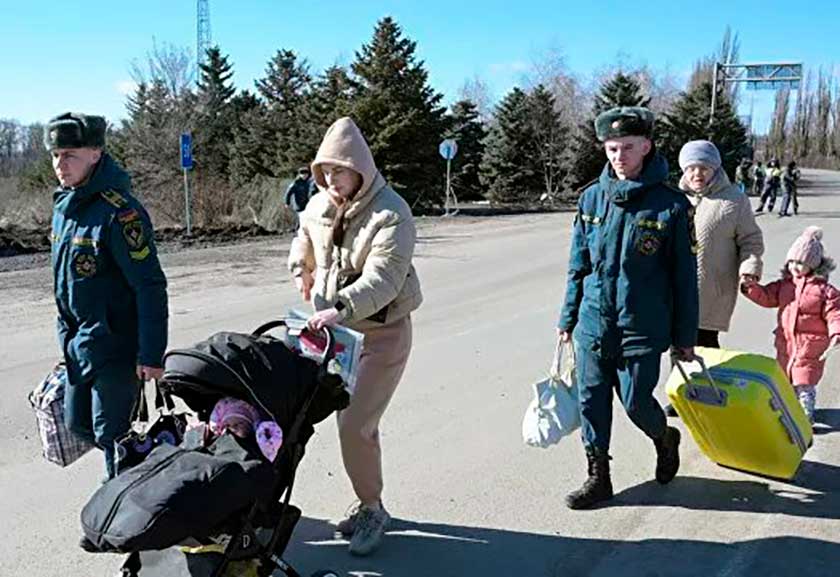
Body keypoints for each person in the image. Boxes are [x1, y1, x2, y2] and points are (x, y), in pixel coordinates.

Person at [287, 117, 422, 555]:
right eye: (324, 173)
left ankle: (372, 509)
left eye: (338, 172)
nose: (330, 180)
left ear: (360, 168)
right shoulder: (320, 202)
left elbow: (384, 279)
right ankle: (369, 499)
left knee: (355, 424)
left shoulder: (391, 212)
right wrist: (300, 267)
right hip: (336, 335)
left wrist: (338, 306)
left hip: (381, 334)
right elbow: (304, 234)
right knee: (304, 415)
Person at [557, 106, 698, 510]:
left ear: (647, 147)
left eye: (627, 147)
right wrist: (568, 318)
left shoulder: (671, 207)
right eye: (612, 148)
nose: (618, 156)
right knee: (591, 402)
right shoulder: (591, 199)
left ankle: (663, 436)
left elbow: (684, 279)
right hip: (593, 325)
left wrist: (684, 338)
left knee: (637, 403)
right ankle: (598, 477)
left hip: (641, 327)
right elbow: (578, 266)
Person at [46, 112, 168, 480]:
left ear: (95, 153)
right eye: (55, 155)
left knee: (112, 435)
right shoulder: (65, 207)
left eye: (70, 155)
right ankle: (143, 482)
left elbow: (150, 286)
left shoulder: (121, 213)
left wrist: (151, 354)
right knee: (77, 423)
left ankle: (119, 521)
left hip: (116, 347)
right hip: (79, 344)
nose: (60, 164)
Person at [663, 141, 765, 417]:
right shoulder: (673, 198)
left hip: (712, 287)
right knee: (677, 341)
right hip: (674, 286)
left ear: (715, 168)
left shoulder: (733, 199)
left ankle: (708, 389)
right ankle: (681, 393)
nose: (698, 174)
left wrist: (750, 267)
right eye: (692, 168)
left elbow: (751, 240)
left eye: (704, 168)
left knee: (705, 341)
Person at [741, 226, 840, 422]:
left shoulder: (825, 291)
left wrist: (836, 332)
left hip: (811, 346)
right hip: (786, 343)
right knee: (784, 380)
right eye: (792, 261)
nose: (795, 266)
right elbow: (767, 297)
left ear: (814, 265)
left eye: (801, 263)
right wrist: (751, 289)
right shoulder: (785, 285)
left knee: (804, 382)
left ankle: (805, 417)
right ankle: (785, 411)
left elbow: (835, 313)